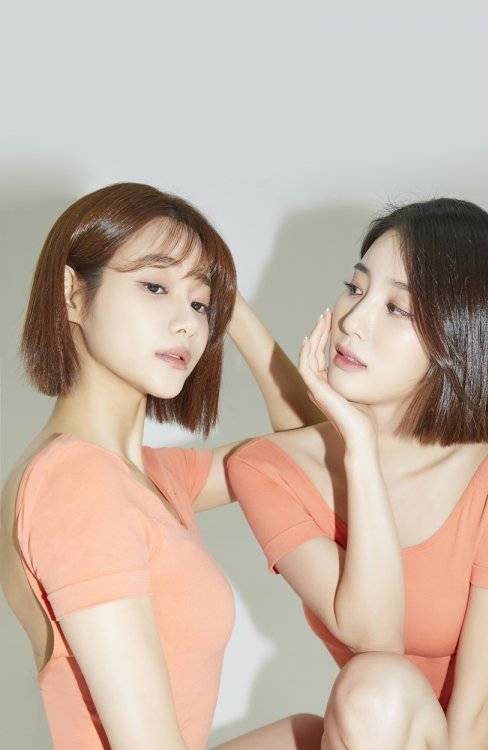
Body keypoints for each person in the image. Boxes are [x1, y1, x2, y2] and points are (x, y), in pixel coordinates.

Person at [225, 198, 488, 749]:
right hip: (380, 731)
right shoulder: (285, 467)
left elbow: (477, 709)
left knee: (376, 688)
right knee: (364, 697)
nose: (352, 321)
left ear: (461, 337)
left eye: (397, 308)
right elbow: (171, 479)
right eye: (355, 288)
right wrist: (225, 304)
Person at [0, 182, 326, 749]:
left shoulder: (153, 478)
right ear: (72, 294)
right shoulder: (77, 483)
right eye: (154, 287)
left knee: (324, 731)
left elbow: (315, 450)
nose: (188, 324)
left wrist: (230, 305)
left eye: (200, 305)